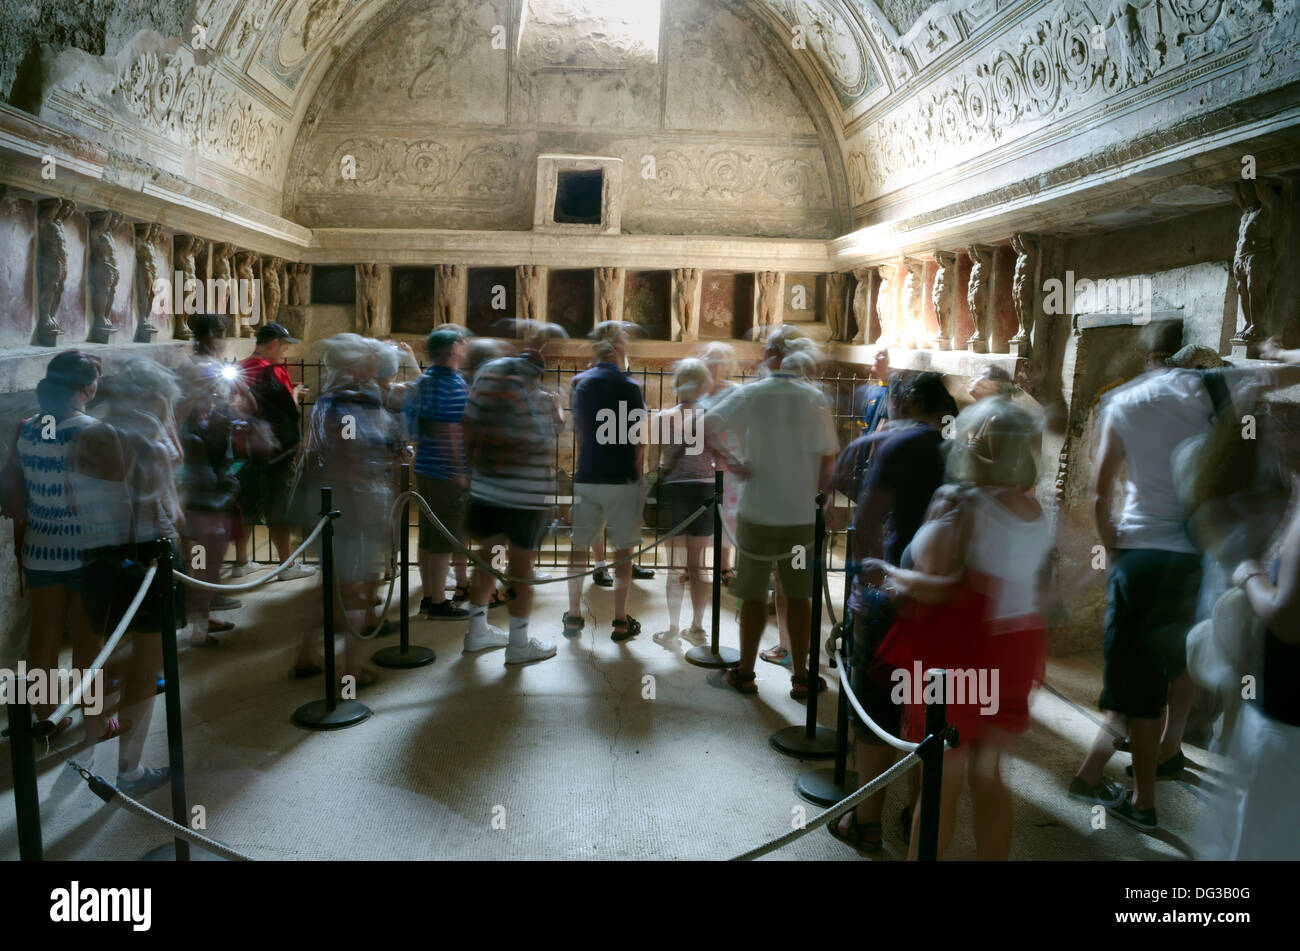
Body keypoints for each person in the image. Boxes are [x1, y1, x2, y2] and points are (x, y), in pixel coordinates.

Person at [1069, 322, 1300, 833]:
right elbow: (1285, 375)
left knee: (1136, 678)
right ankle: (1165, 751)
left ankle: (1143, 800)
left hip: (1141, 552)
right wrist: (1280, 352)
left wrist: (1114, 559)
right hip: (1194, 554)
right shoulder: (1215, 385)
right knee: (1176, 662)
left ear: (1152, 357)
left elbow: (1100, 495)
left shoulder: (1125, 401)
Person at [870, 396, 1053, 860]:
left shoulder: (961, 501)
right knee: (990, 776)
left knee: (941, 782)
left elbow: (944, 588)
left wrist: (890, 575)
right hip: (1017, 648)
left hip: (959, 649)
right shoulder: (1035, 514)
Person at [829, 372, 956, 853]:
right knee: (926, 712)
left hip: (898, 586)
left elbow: (865, 520)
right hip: (944, 595)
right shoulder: (959, 442)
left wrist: (866, 582)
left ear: (905, 399)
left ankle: (865, 820)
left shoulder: (898, 445)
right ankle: (919, 816)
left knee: (878, 707)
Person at [703, 332, 839, 699]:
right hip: (799, 515)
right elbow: (829, 458)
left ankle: (745, 673)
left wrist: (732, 463)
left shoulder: (752, 393)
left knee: (751, 596)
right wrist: (821, 499)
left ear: (771, 357)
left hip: (758, 511)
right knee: (798, 596)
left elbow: (705, 424)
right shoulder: (815, 399)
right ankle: (801, 675)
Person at [2, 351, 119, 746]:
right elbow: (115, 498)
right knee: (90, 639)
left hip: (41, 545)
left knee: (44, 632)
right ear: (86, 387)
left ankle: (45, 715)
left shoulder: (28, 427)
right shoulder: (95, 431)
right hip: (89, 550)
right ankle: (96, 721)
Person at [92, 359, 186, 795]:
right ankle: (128, 769)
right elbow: (157, 500)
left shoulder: (97, 428)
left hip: (104, 552)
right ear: (153, 395)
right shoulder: (145, 435)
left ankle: (96, 733)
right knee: (148, 662)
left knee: (115, 644)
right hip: (150, 552)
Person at [297, 335, 404, 686]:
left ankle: (305, 656)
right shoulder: (348, 404)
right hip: (352, 503)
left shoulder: (333, 397)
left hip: (333, 500)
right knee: (354, 589)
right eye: (371, 357)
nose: (378, 362)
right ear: (355, 365)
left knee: (327, 584)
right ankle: (351, 672)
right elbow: (351, 454)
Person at [462, 348, 560, 664]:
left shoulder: (487, 382)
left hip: (486, 487)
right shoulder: (534, 397)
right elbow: (546, 438)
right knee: (521, 566)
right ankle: (518, 643)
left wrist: (471, 471)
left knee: (487, 557)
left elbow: (466, 428)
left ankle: (476, 632)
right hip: (523, 495)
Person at [564, 330, 647, 642]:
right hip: (622, 477)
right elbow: (639, 436)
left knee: (579, 548)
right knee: (624, 554)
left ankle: (574, 616)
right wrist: (637, 473)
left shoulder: (582, 384)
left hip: (589, 474)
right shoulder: (631, 387)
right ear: (616, 351)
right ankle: (620, 621)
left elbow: (580, 431)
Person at [175, 315, 246, 646]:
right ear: (206, 336)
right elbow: (190, 413)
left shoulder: (210, 366)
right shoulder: (197, 369)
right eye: (218, 333)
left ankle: (202, 612)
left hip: (214, 461)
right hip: (201, 466)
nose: (221, 339)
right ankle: (198, 621)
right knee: (204, 545)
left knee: (210, 544)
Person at [232, 322, 313, 581]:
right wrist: (297, 393)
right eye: (285, 346)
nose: (285, 352)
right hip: (275, 451)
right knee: (279, 507)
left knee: (246, 505)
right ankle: (286, 565)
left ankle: (241, 560)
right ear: (275, 343)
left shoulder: (240, 367)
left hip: (245, 448)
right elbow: (286, 409)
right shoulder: (274, 371)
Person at [649, 359, 715, 648]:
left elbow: (653, 463)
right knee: (698, 565)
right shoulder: (711, 416)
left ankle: (673, 628)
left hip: (675, 493)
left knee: (675, 567)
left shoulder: (663, 417)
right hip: (704, 492)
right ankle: (698, 627)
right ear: (703, 384)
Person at [407, 326, 471, 620]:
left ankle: (429, 594)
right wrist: (458, 471)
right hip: (446, 471)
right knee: (444, 539)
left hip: (425, 466)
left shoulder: (425, 380)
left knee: (428, 536)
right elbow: (449, 431)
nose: (465, 346)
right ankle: (439, 602)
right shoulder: (454, 385)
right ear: (453, 350)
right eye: (461, 343)